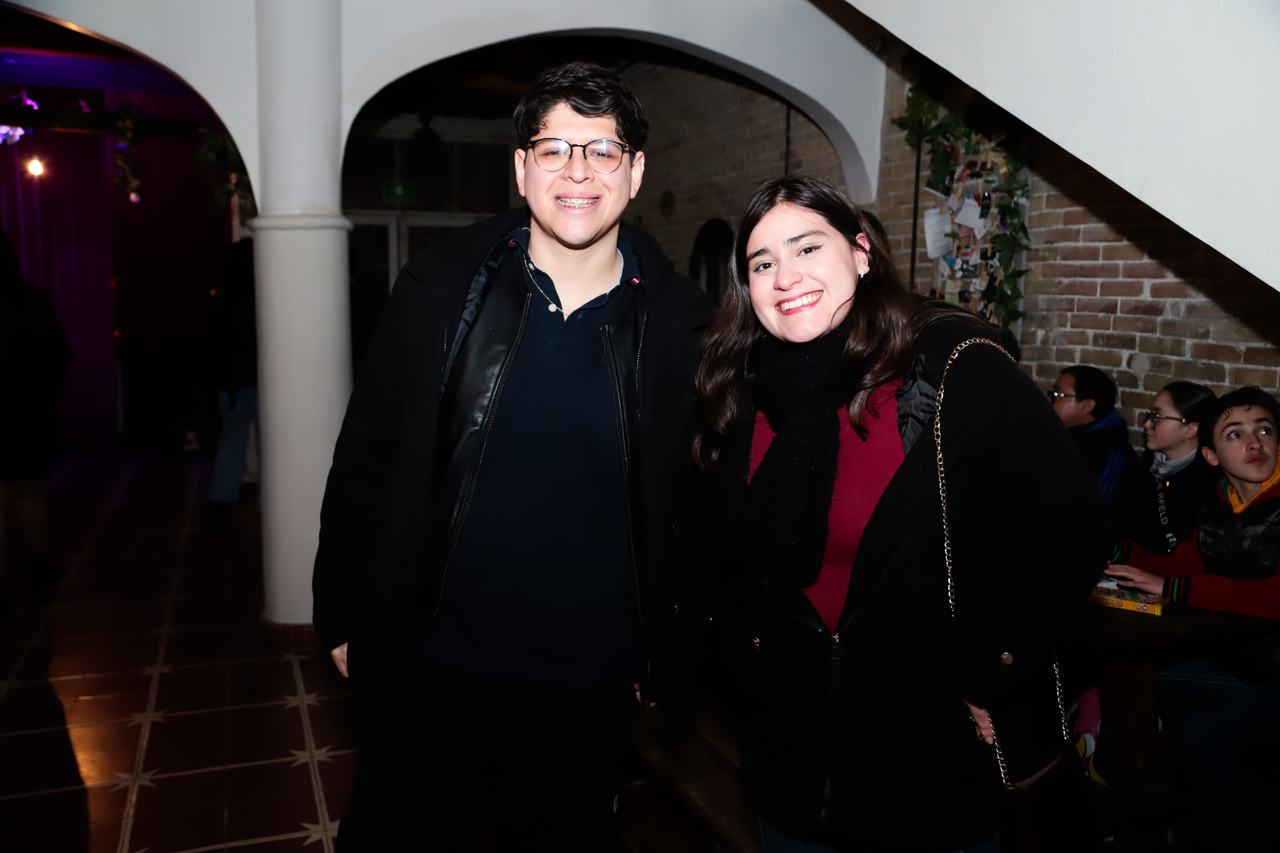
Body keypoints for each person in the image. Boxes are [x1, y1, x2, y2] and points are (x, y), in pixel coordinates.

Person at [311, 61, 713, 850]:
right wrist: (344, 613)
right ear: (522, 167)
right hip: (432, 663)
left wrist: (667, 645)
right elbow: (367, 458)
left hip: (587, 684)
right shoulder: (438, 291)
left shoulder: (684, 329)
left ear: (634, 172)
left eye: (602, 150)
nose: (577, 171)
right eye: (554, 148)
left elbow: (692, 512)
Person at [689, 175, 1110, 852]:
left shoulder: (954, 367)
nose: (785, 277)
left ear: (861, 254)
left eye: (807, 248)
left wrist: (990, 663)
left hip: (930, 759)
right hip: (792, 766)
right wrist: (744, 660)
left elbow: (1070, 525)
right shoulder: (741, 388)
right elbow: (729, 558)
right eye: (762, 263)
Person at [1109, 386, 1280, 853]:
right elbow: (1177, 566)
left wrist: (1176, 588)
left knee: (1202, 730)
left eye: (1265, 430)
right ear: (1211, 454)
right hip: (1252, 666)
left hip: (1270, 672)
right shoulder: (1218, 508)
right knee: (1126, 678)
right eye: (1236, 433)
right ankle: (1144, 816)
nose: (1255, 443)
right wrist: (1119, 551)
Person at [0, 227, 70, 632]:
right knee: (28, 492)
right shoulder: (32, 301)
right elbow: (57, 356)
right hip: (28, 410)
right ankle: (40, 569)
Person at [1114, 381, 1219, 555]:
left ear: (1190, 429)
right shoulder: (1144, 472)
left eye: (1158, 417)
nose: (1148, 424)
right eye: (1149, 415)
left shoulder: (1208, 485)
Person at [204, 237, 259, 534]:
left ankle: (220, 504)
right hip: (260, 383)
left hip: (232, 385)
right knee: (269, 447)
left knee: (230, 445)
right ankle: (268, 503)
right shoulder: (262, 298)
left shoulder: (221, 300)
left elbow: (213, 347)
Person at [1050, 364, 1140, 504]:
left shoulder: (1113, 454)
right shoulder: (1061, 436)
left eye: (1058, 395)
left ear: (1086, 406)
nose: (1049, 400)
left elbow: (1092, 508)